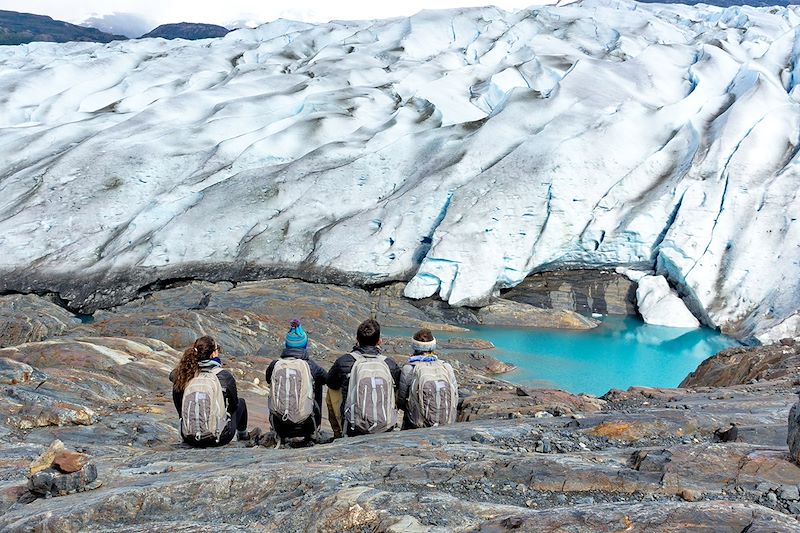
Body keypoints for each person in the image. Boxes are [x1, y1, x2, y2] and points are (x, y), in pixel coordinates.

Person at [327, 318, 401, 436]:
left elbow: (330, 382)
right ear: (379, 341)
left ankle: (338, 432)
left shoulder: (344, 361)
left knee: (331, 390)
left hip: (354, 427)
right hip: (385, 425)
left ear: (357, 340)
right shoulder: (389, 364)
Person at [170, 336, 248, 447]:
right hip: (217, 438)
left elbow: (171, 376)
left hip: (189, 437)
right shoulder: (224, 375)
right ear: (213, 354)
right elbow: (233, 405)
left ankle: (189, 426)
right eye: (217, 349)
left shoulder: (184, 373)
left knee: (178, 387)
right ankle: (244, 436)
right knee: (241, 403)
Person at [265, 319, 327, 444]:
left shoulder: (275, 365)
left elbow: (267, 379)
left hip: (280, 425)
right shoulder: (310, 366)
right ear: (304, 345)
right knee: (317, 383)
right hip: (306, 426)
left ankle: (278, 431)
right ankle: (314, 431)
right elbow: (328, 379)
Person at [398, 328, 458, 429]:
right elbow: (455, 394)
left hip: (418, 423)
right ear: (433, 347)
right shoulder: (446, 366)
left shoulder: (409, 368)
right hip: (447, 420)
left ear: (414, 346)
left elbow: (402, 400)